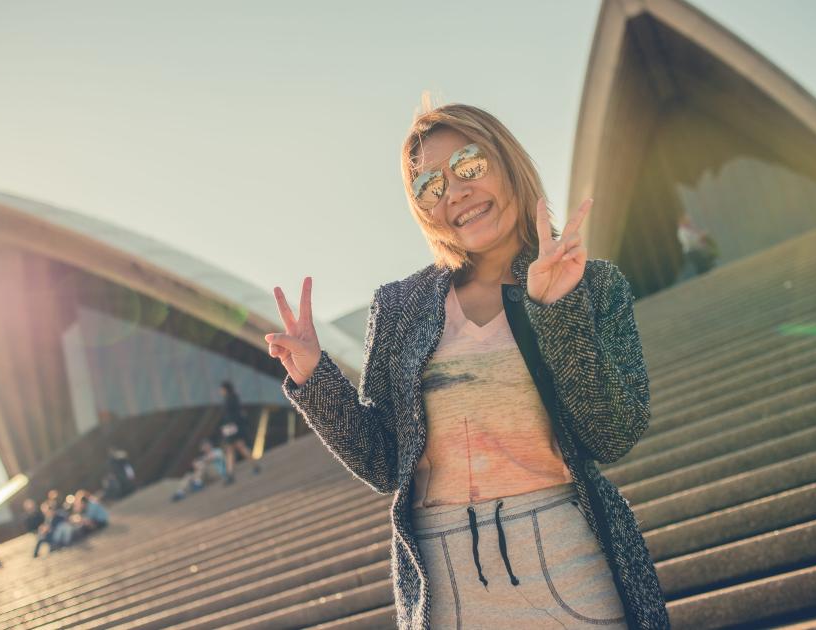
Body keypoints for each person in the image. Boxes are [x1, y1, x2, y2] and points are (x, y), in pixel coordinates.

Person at [265, 103, 669, 629]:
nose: (454, 192)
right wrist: (315, 377)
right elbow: (386, 464)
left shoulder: (594, 285)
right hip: (445, 577)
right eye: (430, 186)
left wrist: (557, 309)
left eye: (470, 165)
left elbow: (612, 435)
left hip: (568, 560)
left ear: (507, 163)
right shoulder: (400, 306)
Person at [217, 381, 261, 482]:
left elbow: (229, 415)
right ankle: (232, 473)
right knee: (234, 449)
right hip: (234, 427)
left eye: (221, 389)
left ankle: (232, 473)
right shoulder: (234, 398)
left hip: (231, 428)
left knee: (236, 448)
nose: (220, 391)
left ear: (225, 389)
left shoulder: (229, 399)